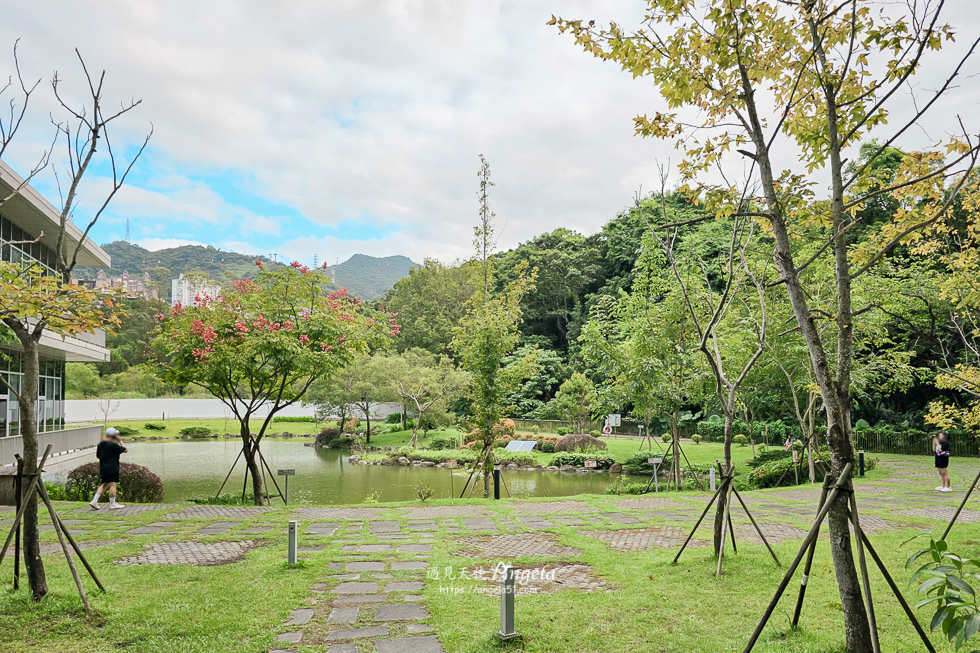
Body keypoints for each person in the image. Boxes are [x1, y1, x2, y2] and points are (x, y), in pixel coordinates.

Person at [90, 427, 128, 510]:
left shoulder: (101, 444)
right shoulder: (113, 444)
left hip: (103, 467)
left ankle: (94, 501)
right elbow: (125, 450)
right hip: (113, 467)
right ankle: (112, 504)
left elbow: (98, 456)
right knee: (113, 484)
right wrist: (120, 441)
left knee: (105, 484)